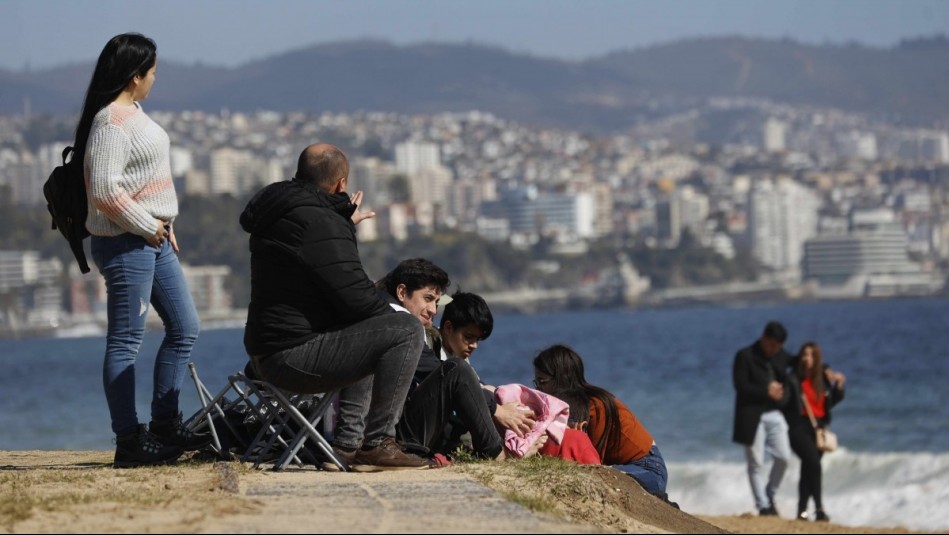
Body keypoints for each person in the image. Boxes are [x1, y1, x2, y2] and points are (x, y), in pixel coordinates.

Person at [240, 143, 430, 471]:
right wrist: (395, 316)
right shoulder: (320, 222)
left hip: (266, 353)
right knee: (405, 330)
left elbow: (326, 276)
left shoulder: (283, 211)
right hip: (292, 357)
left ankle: (346, 447)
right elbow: (355, 296)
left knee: (366, 329)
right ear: (341, 184)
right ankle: (378, 443)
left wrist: (342, 222)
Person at [79, 33, 207, 468]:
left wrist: (161, 225)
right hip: (126, 242)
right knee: (126, 342)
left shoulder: (133, 112)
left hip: (153, 237)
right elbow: (103, 191)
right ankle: (129, 441)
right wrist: (147, 225)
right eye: (152, 72)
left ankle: (165, 423)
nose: (155, 79)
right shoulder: (110, 123)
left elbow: (136, 183)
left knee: (185, 326)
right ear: (136, 76)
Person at [532, 344, 669, 496]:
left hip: (649, 468)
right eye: (536, 383)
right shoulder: (574, 406)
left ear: (561, 378)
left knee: (596, 474)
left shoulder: (595, 406)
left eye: (542, 382)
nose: (538, 390)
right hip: (622, 465)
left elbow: (594, 463)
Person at [732, 321, 793, 516]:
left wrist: (825, 369)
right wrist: (766, 391)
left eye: (778, 347)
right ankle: (763, 506)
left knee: (784, 457)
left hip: (775, 414)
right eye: (772, 345)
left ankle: (769, 493)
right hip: (751, 415)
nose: (775, 349)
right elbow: (741, 386)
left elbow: (800, 362)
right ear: (764, 339)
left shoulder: (781, 356)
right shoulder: (745, 356)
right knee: (756, 462)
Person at [785, 342, 846, 522]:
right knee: (813, 463)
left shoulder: (823, 379)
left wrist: (839, 387)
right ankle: (819, 508)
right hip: (798, 427)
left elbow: (829, 402)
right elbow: (787, 402)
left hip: (818, 429)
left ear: (817, 358)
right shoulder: (794, 378)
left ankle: (802, 511)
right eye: (804, 354)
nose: (807, 358)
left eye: (811, 355)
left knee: (808, 468)